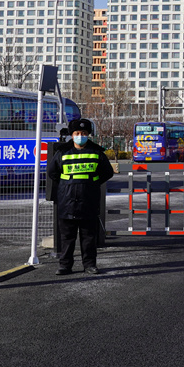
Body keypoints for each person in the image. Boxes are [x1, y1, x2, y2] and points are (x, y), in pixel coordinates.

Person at [47, 118, 115, 275]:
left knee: (89, 237)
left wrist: (91, 183)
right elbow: (52, 172)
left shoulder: (97, 152)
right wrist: (67, 186)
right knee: (67, 238)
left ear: (88, 134)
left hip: (88, 200)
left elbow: (107, 172)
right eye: (77, 133)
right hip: (67, 200)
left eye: (84, 133)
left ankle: (90, 265)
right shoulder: (62, 152)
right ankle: (65, 266)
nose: (80, 136)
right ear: (72, 135)